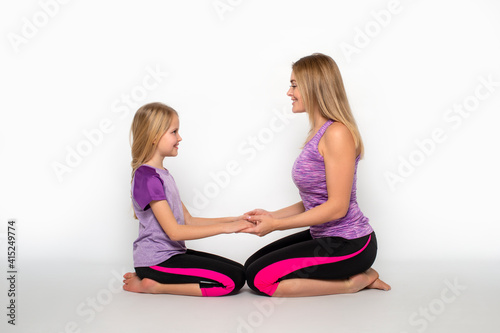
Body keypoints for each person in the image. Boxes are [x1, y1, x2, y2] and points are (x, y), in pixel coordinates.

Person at [243, 53, 391, 297]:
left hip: (350, 243)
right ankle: (351, 276)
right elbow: (316, 200)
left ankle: (354, 282)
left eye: (294, 85)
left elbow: (337, 208)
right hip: (324, 234)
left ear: (313, 87)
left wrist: (277, 225)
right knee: (251, 266)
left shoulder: (337, 133)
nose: (289, 93)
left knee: (259, 279)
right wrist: (272, 215)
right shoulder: (319, 132)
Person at [122, 102, 252, 297]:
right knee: (232, 281)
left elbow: (188, 220)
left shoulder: (162, 174)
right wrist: (227, 229)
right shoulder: (147, 177)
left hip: (171, 255)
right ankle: (155, 286)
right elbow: (175, 232)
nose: (179, 137)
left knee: (240, 271)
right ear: (154, 136)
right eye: (174, 132)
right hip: (157, 261)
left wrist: (235, 220)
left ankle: (151, 278)